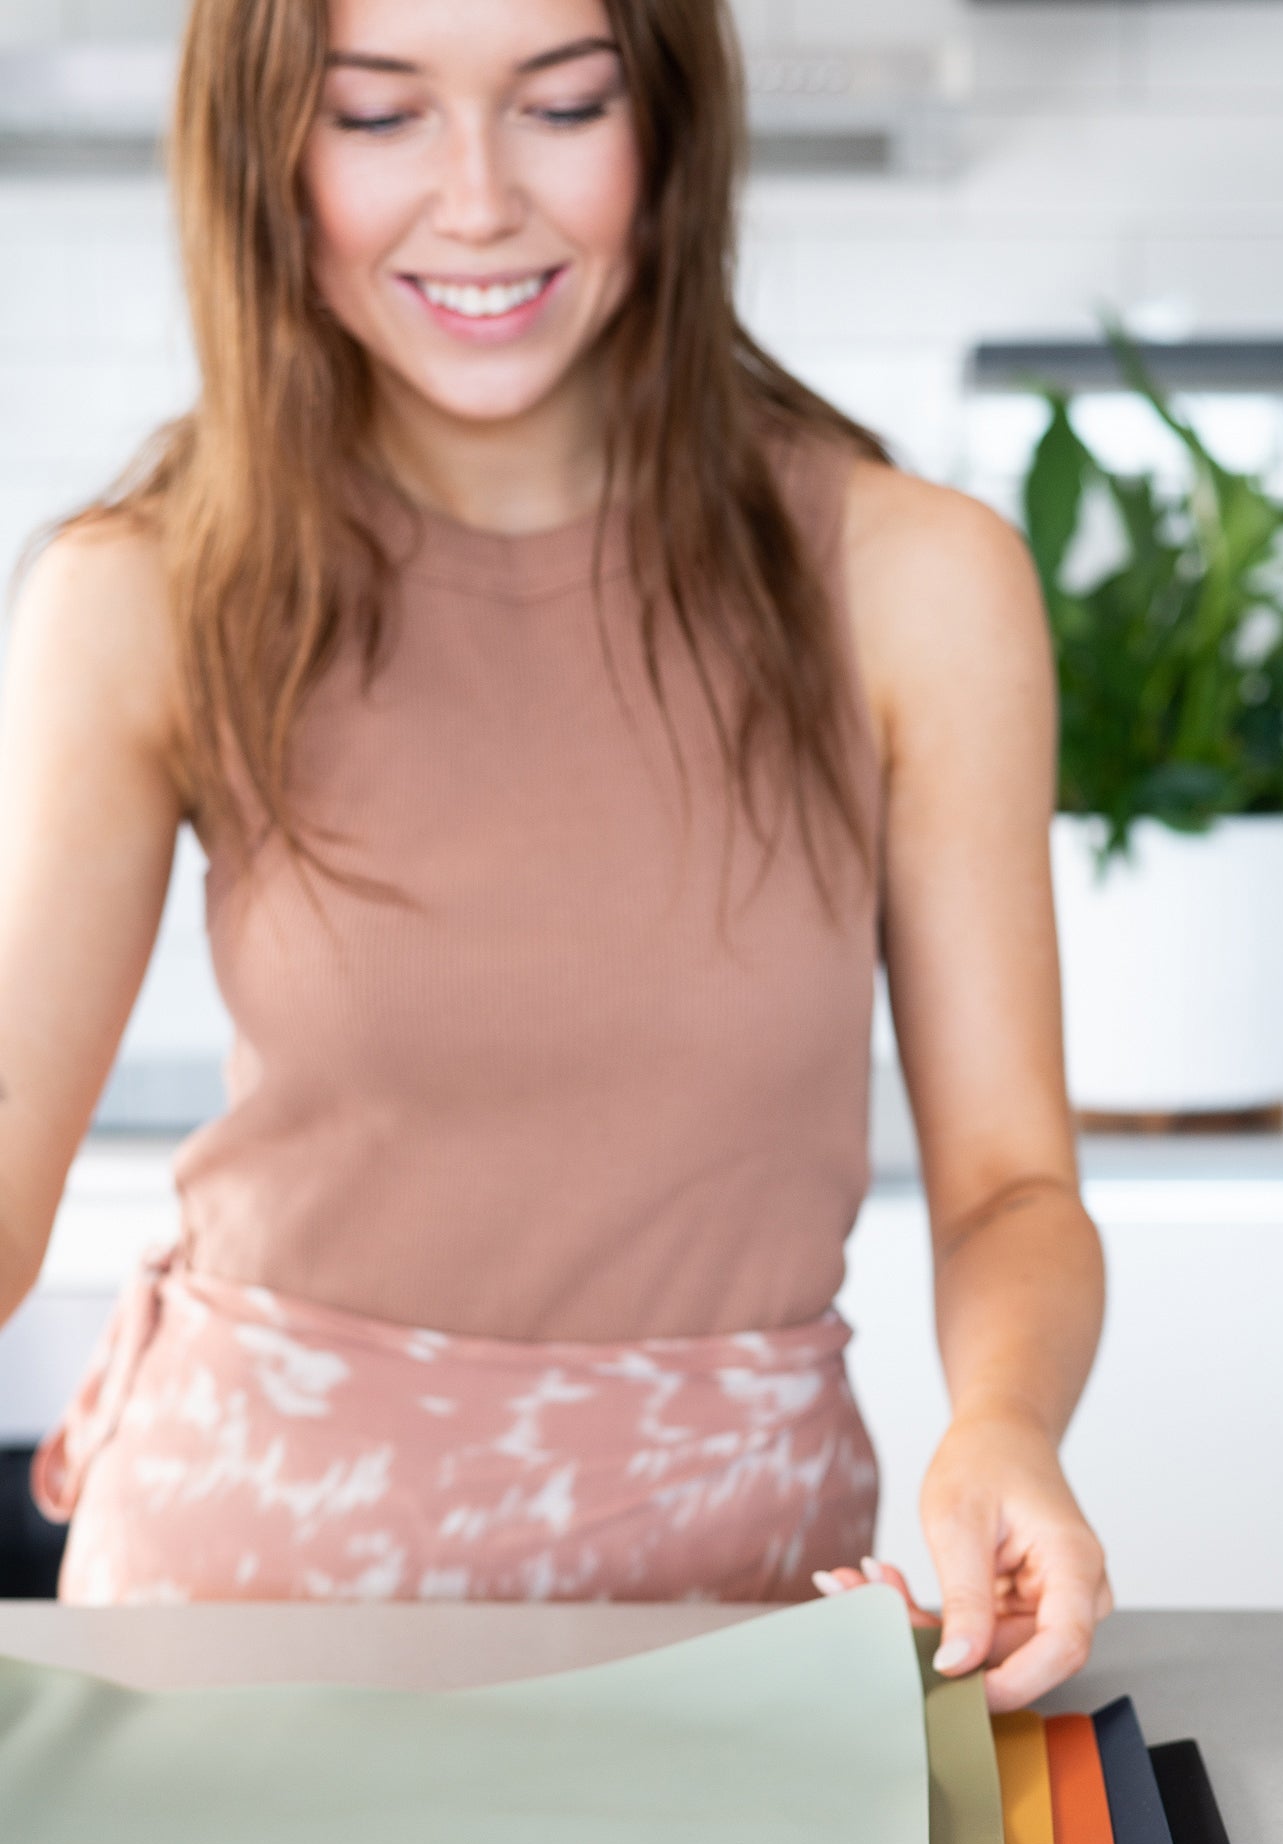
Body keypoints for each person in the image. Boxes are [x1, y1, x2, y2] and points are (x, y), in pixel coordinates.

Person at [0, 0, 1109, 1709]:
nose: (479, 200)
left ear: (664, 130)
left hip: (737, 1641)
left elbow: (1011, 1186)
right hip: (221, 1640)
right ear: (268, 157)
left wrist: (1005, 1425)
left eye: (563, 104)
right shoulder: (141, 589)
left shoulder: (914, 585)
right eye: (378, 117)